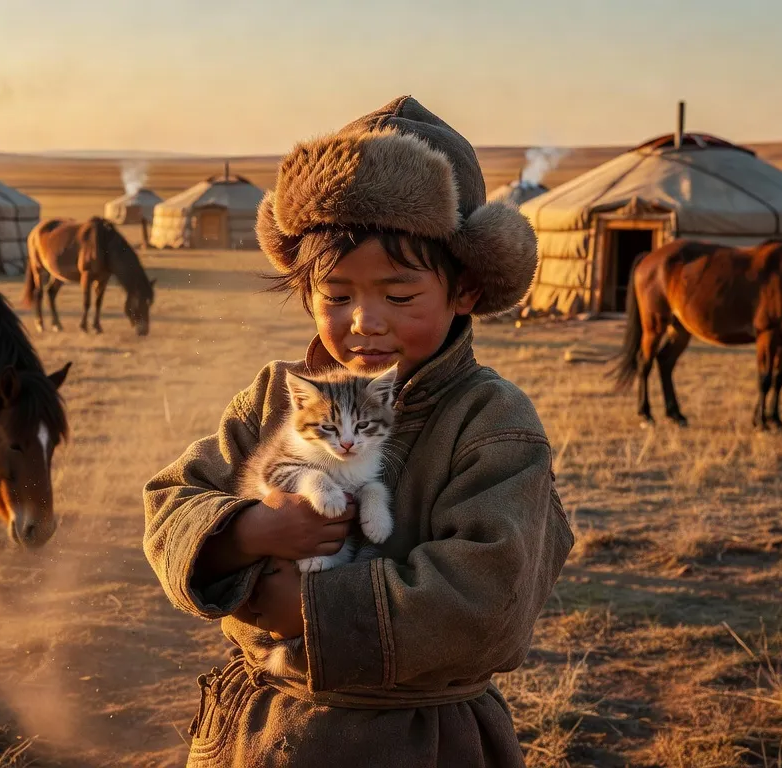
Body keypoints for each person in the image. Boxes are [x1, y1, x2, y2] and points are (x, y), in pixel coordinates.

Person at [143, 95, 575, 767]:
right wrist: (251, 530)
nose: (364, 322)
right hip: (263, 731)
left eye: (399, 296)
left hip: (419, 741)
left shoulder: (493, 421)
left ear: (463, 291)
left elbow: (489, 600)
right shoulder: (272, 395)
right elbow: (172, 502)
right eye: (336, 295)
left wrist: (298, 605)